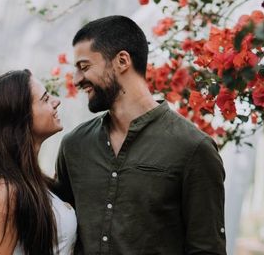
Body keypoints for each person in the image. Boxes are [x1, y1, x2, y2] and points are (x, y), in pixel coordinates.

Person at [55, 15, 226, 254]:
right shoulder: (74, 146)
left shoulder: (193, 149)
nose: (76, 80)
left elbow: (206, 249)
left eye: (84, 67)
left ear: (122, 61)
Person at [0, 69, 77, 255]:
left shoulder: (30, 181)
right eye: (46, 99)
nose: (56, 102)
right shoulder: (1, 193)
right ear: (20, 116)